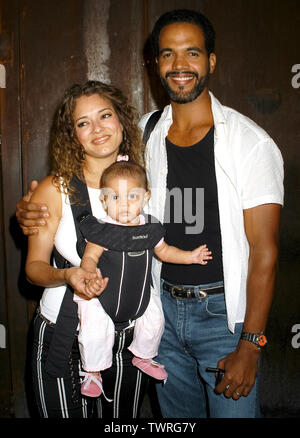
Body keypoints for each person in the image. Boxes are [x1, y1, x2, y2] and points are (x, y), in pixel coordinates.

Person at [17, 9, 284, 418]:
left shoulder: (250, 144)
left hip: (220, 318)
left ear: (211, 61)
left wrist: (251, 343)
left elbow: (264, 251)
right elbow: (77, 190)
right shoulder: (145, 133)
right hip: (157, 315)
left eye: (192, 53)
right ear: (156, 64)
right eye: (168, 55)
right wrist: (31, 211)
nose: (179, 65)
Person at [24, 79, 155, 418]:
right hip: (63, 335)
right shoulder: (55, 190)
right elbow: (34, 267)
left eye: (105, 116)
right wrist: (68, 274)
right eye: (83, 122)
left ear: (122, 122)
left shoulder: (144, 180)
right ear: (73, 134)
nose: (97, 129)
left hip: (128, 340)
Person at [72, 160, 212, 398]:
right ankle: (93, 371)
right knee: (94, 325)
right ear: (104, 200)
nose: (124, 204)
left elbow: (164, 252)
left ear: (145, 196)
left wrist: (191, 257)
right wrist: (88, 275)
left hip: (139, 295)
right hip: (100, 293)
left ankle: (143, 356)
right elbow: (89, 258)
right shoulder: (102, 231)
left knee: (156, 319)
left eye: (132, 197)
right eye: (115, 198)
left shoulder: (150, 227)